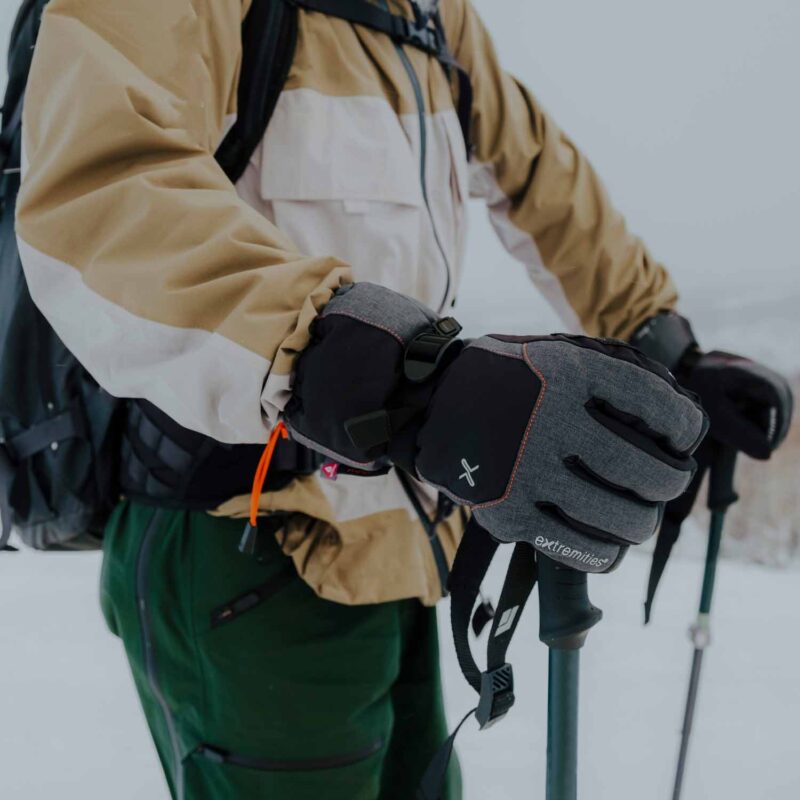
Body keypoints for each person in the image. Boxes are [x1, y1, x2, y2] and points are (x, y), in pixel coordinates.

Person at [15, 1, 790, 798]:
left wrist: (660, 339)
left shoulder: (430, 12)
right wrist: (387, 378)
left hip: (398, 530)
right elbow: (101, 190)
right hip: (240, 534)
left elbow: (539, 175)